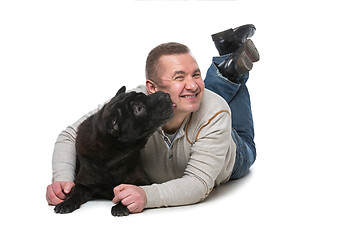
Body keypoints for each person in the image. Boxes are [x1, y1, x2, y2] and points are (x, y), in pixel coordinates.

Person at [46, 24, 259, 214]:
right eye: (179, 76)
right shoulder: (132, 104)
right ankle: (227, 57)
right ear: (151, 88)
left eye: (196, 74)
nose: (194, 83)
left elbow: (198, 183)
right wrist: (63, 177)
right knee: (192, 94)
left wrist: (148, 196)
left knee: (214, 105)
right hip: (196, 117)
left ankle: (231, 70)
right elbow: (70, 134)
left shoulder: (215, 113)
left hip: (234, 152)